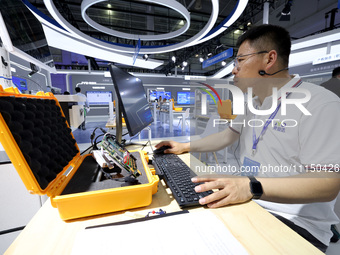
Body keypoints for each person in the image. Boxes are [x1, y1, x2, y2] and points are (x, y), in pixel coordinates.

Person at [156, 24, 340, 252]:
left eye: (241, 60)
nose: (234, 70)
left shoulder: (320, 104)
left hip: (296, 223)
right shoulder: (252, 103)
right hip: (252, 202)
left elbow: (327, 183)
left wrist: (251, 186)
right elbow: (227, 136)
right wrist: (184, 145)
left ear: (269, 59)